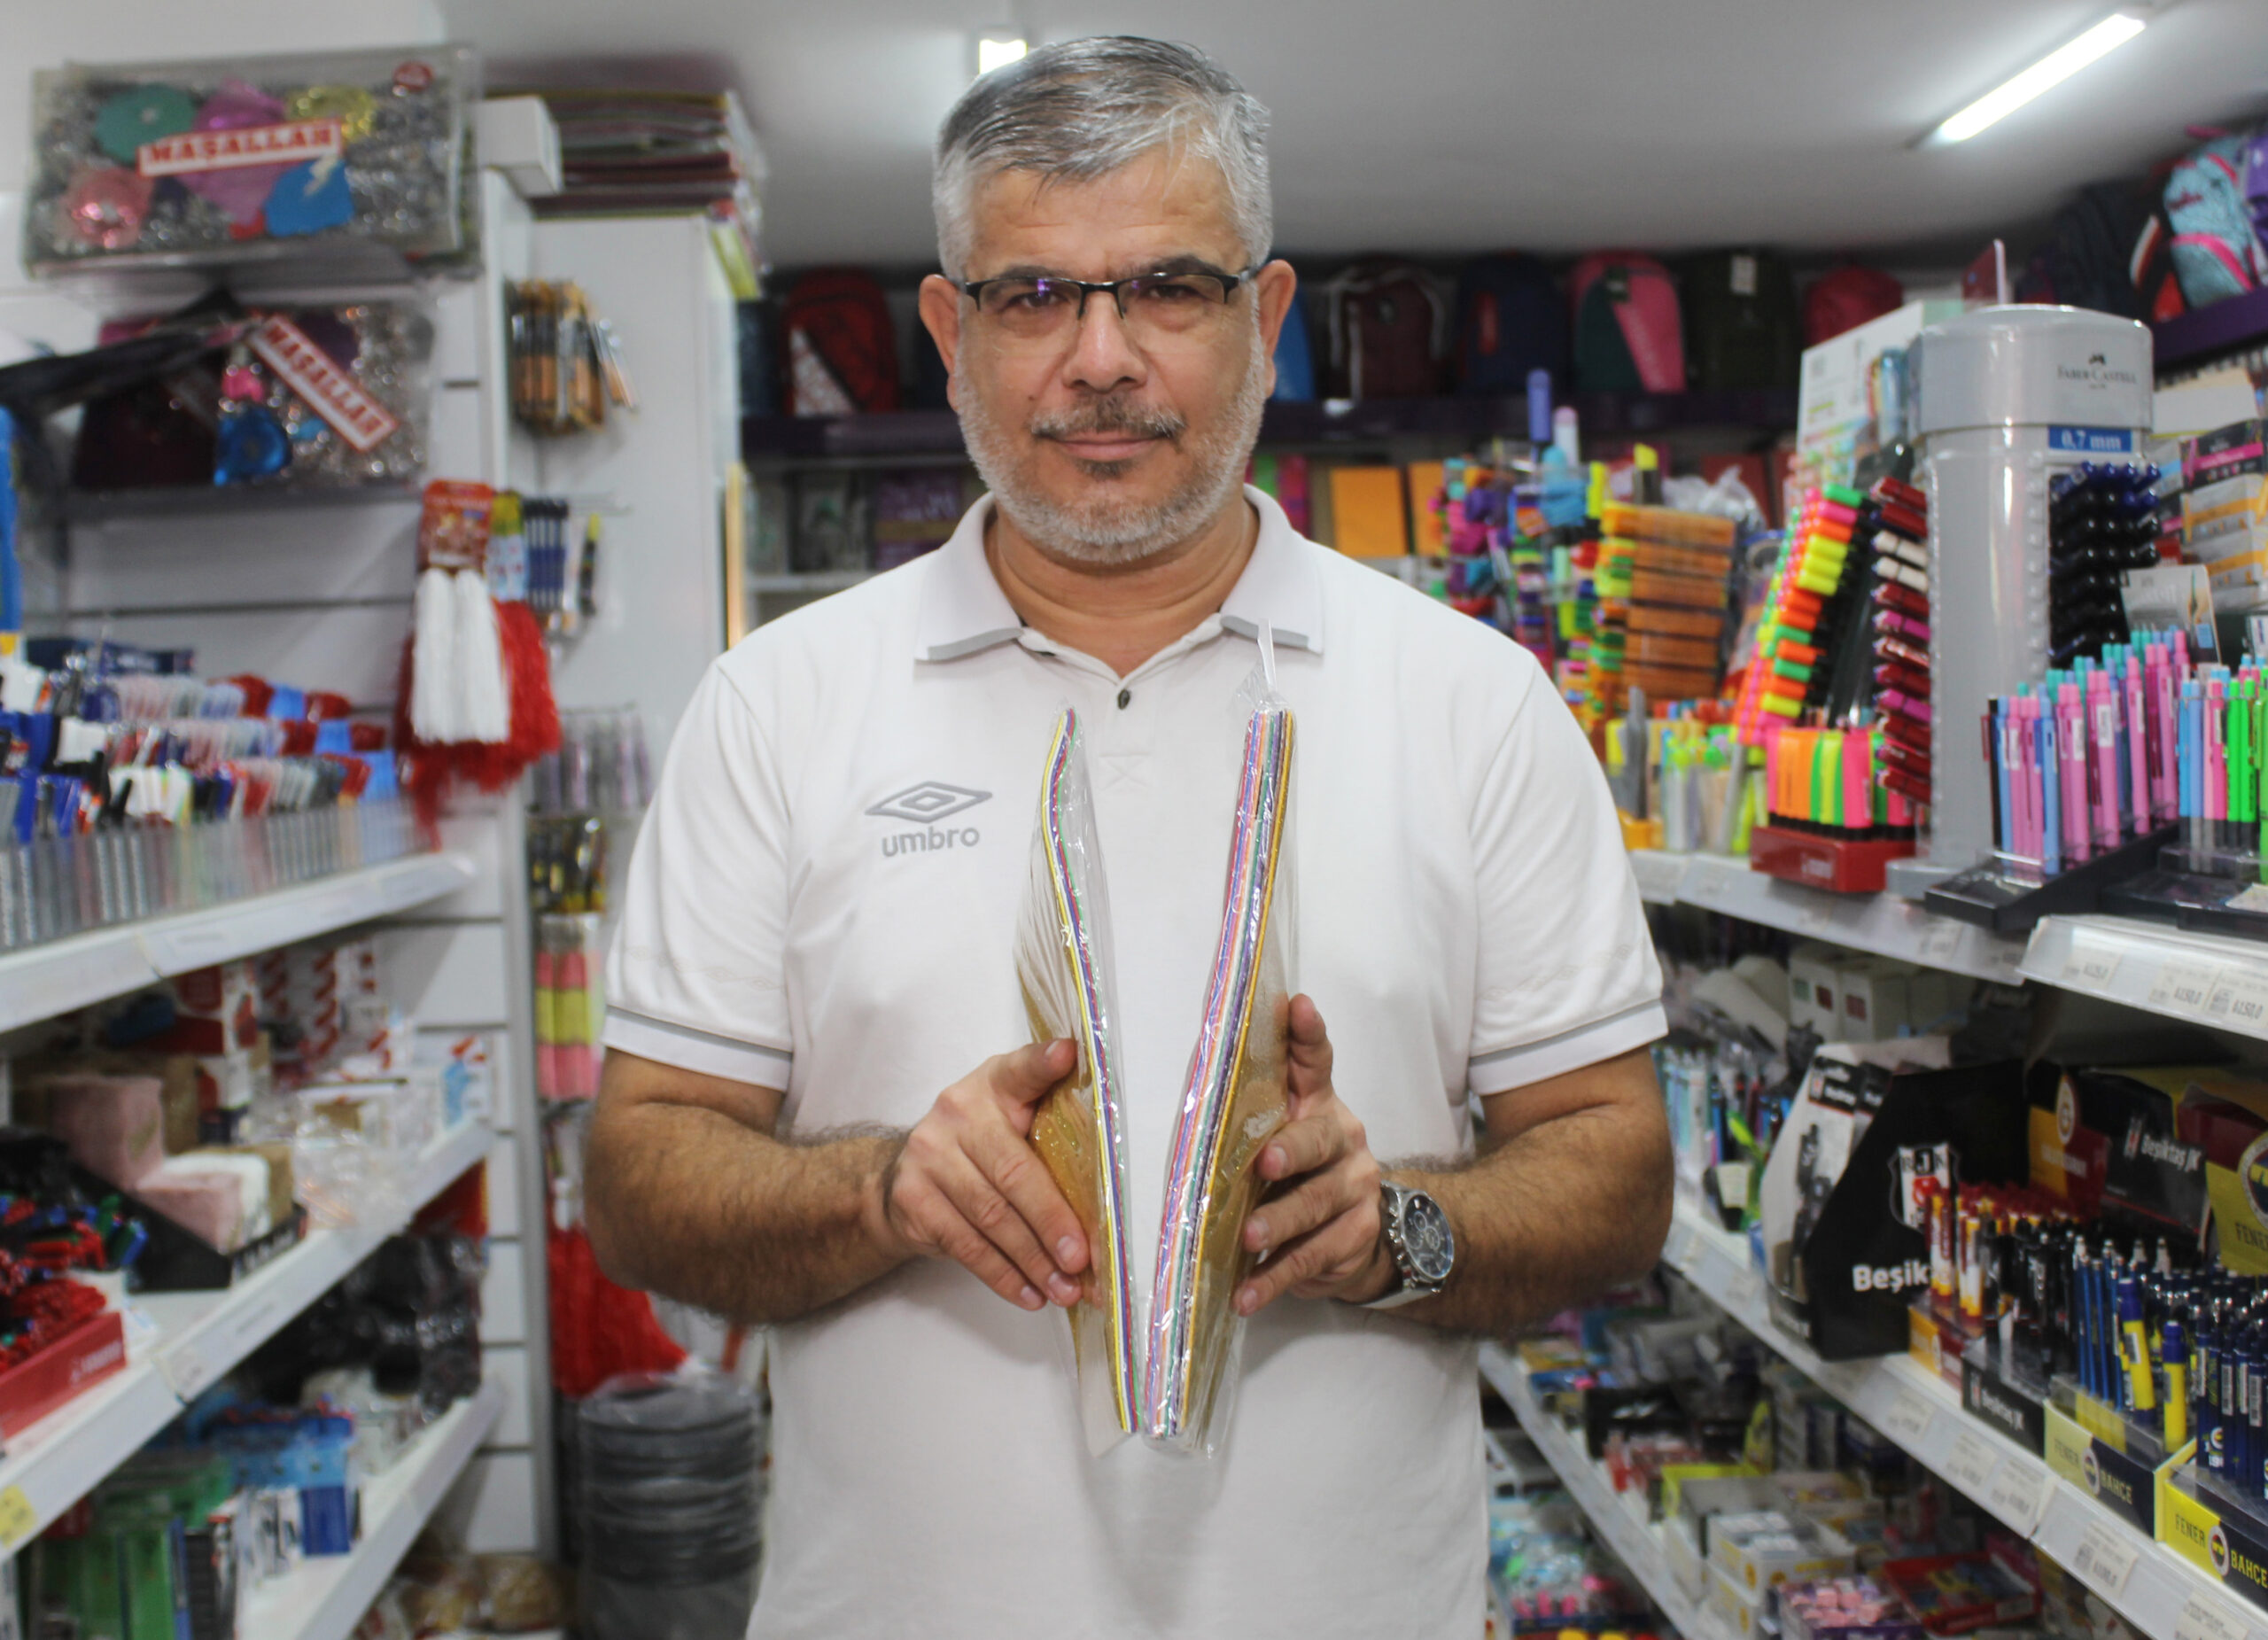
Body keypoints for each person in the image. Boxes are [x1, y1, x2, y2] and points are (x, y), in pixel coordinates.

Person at [587, 35, 1671, 1639]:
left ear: (1266, 319)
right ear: (951, 334)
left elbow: (1617, 1165)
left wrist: (1396, 1231)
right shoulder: (779, 705)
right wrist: (886, 1190)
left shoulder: (1474, 703)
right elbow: (637, 1178)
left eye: (1168, 287)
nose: (1101, 360)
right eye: (1034, 297)